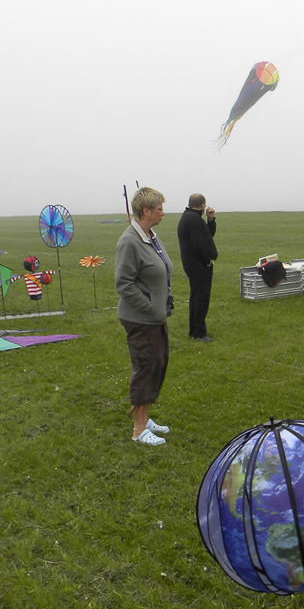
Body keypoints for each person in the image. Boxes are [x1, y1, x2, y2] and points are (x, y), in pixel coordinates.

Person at [115, 187, 173, 446]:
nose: (163, 212)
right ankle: (138, 430)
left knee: (157, 365)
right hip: (140, 319)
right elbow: (123, 284)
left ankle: (145, 418)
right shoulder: (129, 241)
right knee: (145, 367)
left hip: (156, 317)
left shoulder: (151, 236)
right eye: (159, 208)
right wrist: (150, 307)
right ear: (146, 211)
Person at [177, 193, 218, 342]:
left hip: (192, 264)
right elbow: (200, 244)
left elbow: (206, 235)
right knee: (201, 298)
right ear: (202, 205)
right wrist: (208, 259)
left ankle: (195, 330)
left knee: (196, 297)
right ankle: (199, 333)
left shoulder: (190, 217)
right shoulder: (193, 220)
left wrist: (210, 220)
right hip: (198, 265)